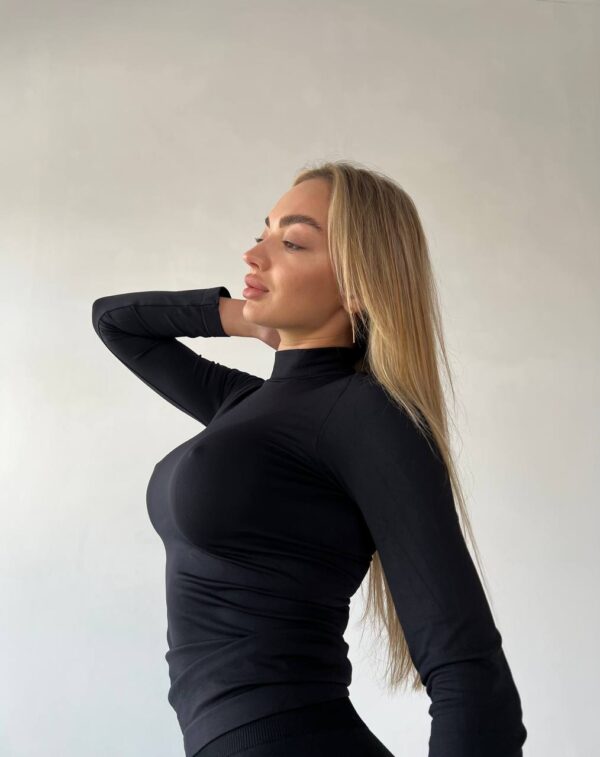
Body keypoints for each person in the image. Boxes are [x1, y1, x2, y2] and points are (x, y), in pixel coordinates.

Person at [91, 160, 527, 757]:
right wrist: (243, 319)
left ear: (359, 284)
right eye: (261, 233)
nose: (253, 255)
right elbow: (114, 321)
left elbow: (471, 674)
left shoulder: (366, 415)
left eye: (292, 242)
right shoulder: (243, 406)